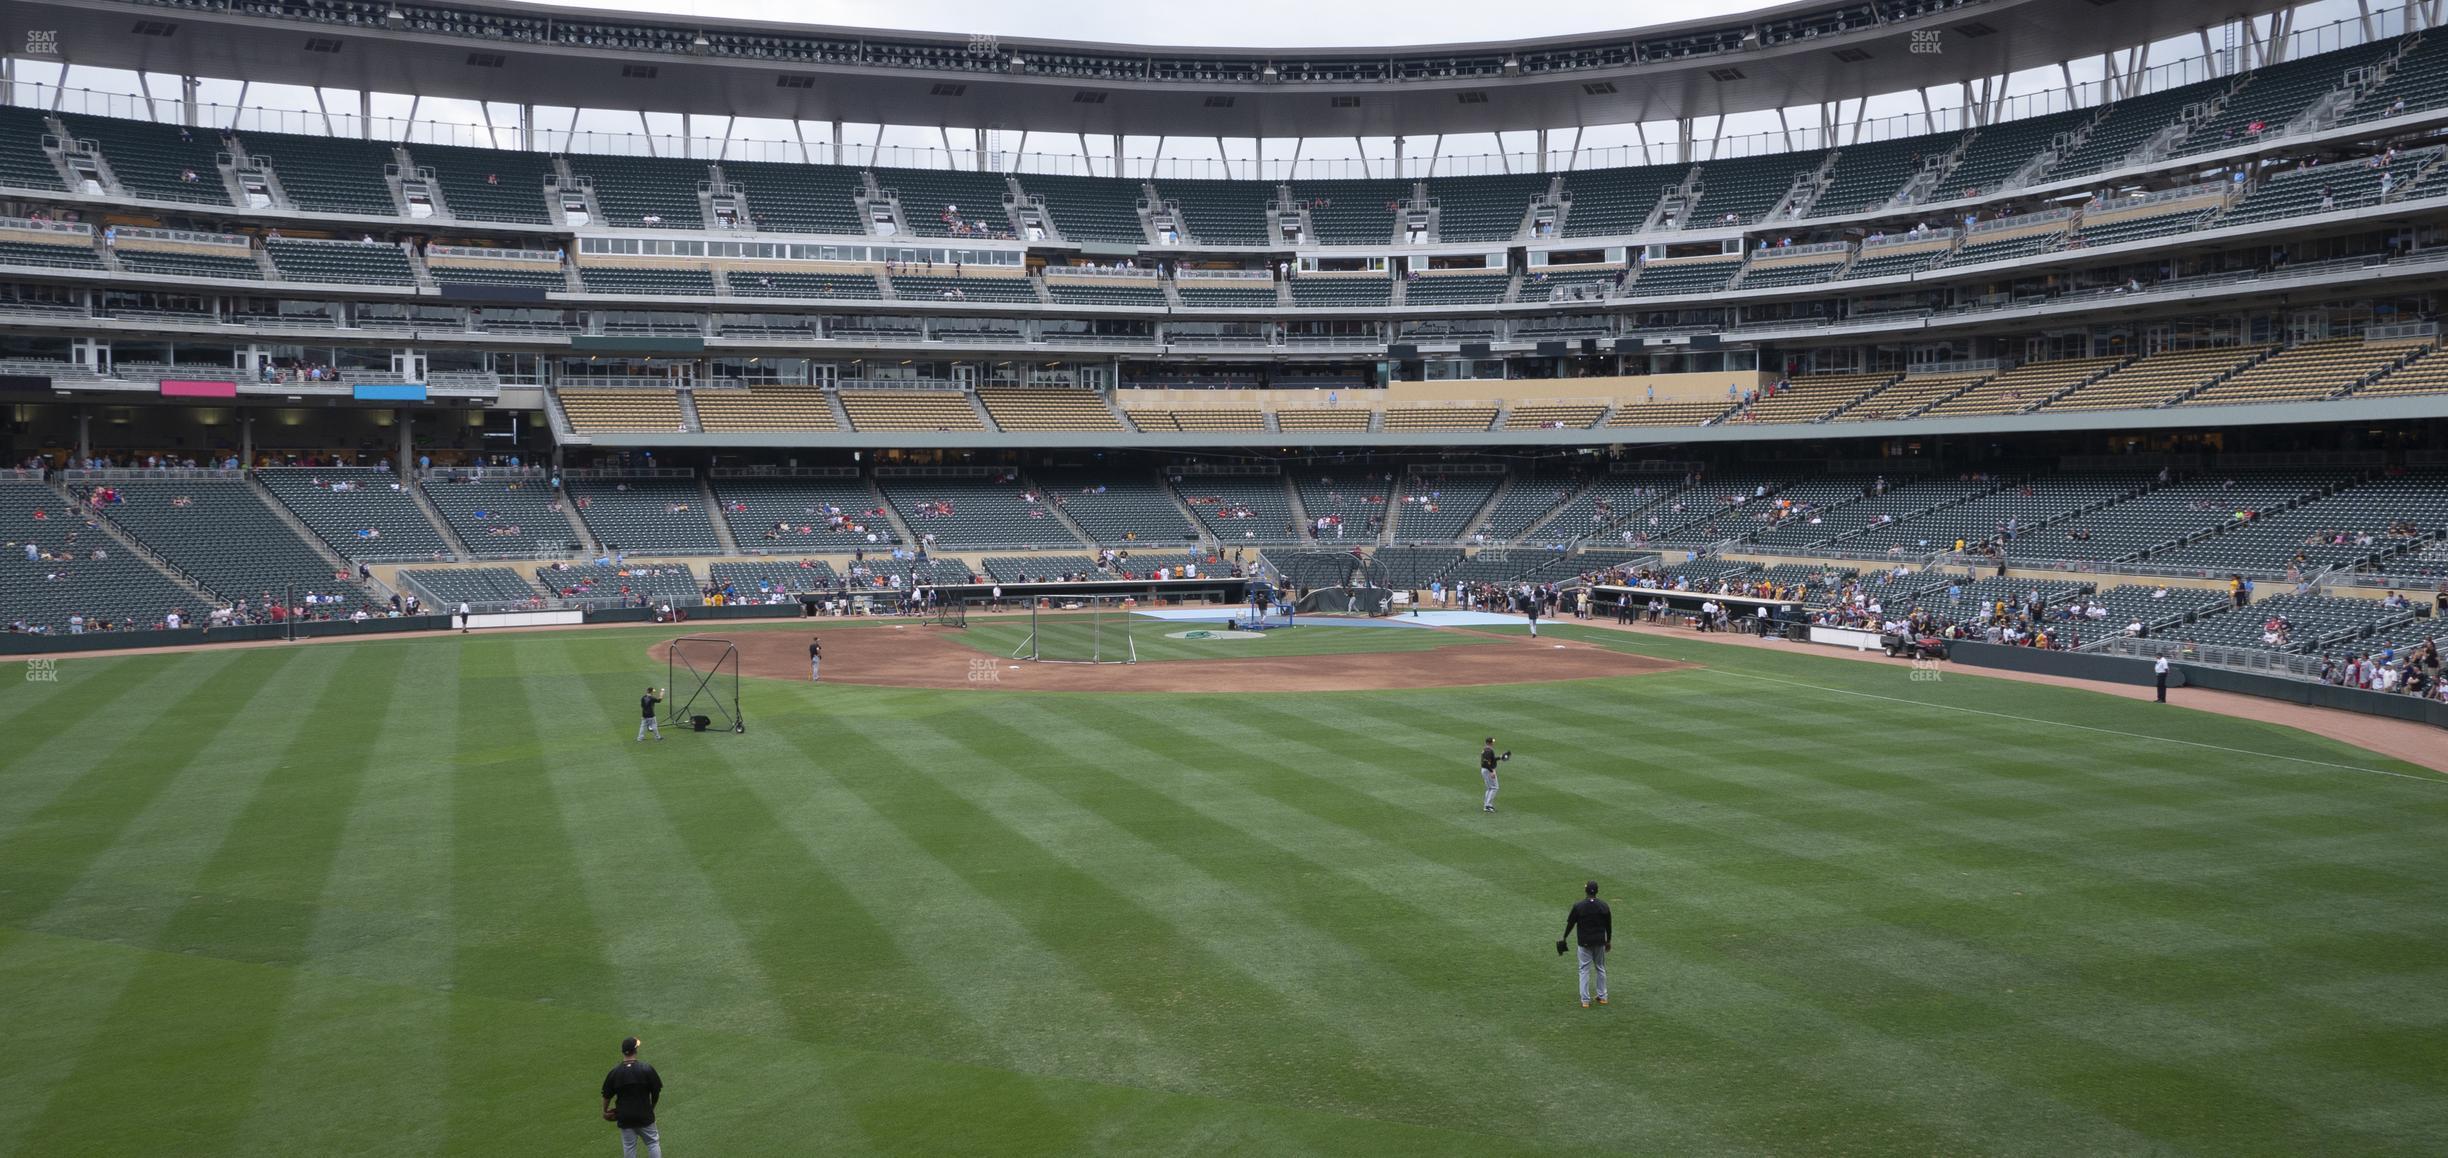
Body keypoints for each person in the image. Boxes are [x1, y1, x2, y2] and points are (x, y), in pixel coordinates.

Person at [601, 1035, 664, 1158]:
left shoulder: (615, 1072)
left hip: (624, 1117)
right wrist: (652, 1107)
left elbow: (606, 1095)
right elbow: (656, 1092)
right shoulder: (646, 1069)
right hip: (644, 1114)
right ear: (635, 1050)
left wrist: (604, 1111)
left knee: (629, 1146)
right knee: (652, 1143)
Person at [1561, 880, 1612, 1008]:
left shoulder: (1579, 906)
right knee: (1600, 967)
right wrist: (1608, 941)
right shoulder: (1604, 906)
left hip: (1584, 943)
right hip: (1600, 942)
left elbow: (1571, 924)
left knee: (1584, 970)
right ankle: (1603, 996)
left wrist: (1564, 937)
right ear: (1597, 891)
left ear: (1586, 890)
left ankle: (1585, 1000)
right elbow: (1608, 926)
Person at [1479, 737, 1511, 813]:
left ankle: (1486, 805)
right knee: (1494, 787)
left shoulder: (1486, 749)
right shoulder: (1488, 751)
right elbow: (1485, 763)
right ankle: (1488, 806)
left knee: (1490, 788)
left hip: (1486, 770)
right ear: (1490, 743)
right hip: (1488, 770)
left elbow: (1491, 760)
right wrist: (1491, 771)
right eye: (1492, 742)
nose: (1493, 743)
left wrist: (1500, 757)